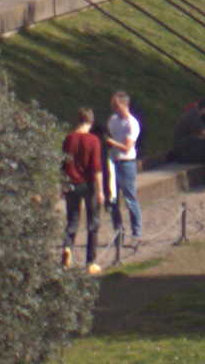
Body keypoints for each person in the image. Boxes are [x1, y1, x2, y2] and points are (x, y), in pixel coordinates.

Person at [101, 92, 146, 256]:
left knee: (130, 198)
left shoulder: (132, 123)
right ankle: (118, 231)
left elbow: (127, 147)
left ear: (123, 105)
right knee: (113, 198)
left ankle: (137, 233)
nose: (113, 108)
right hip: (113, 162)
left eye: (116, 105)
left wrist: (110, 142)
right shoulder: (113, 120)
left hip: (126, 163)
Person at [60, 110, 105, 266]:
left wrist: (62, 185)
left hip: (71, 183)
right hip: (88, 184)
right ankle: (90, 261)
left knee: (72, 220)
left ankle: (67, 248)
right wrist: (100, 191)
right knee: (93, 222)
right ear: (91, 122)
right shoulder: (93, 140)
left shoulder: (68, 138)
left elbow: (63, 164)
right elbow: (97, 168)